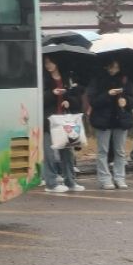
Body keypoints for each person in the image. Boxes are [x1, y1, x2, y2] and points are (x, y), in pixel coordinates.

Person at [87, 58, 133, 191]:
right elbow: (93, 101)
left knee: (120, 151)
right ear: (106, 67)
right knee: (103, 151)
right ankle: (105, 178)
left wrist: (126, 101)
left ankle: (120, 177)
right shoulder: (97, 80)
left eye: (116, 68)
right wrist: (107, 94)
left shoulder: (125, 80)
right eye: (111, 67)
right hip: (103, 120)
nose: (113, 70)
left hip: (121, 119)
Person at [41, 57, 83, 193]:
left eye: (51, 62)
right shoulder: (42, 78)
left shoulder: (67, 79)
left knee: (67, 153)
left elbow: (77, 98)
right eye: (46, 63)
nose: (49, 65)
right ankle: (51, 183)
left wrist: (68, 101)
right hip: (48, 121)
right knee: (49, 153)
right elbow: (38, 99)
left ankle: (70, 181)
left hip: (65, 120)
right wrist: (52, 93)